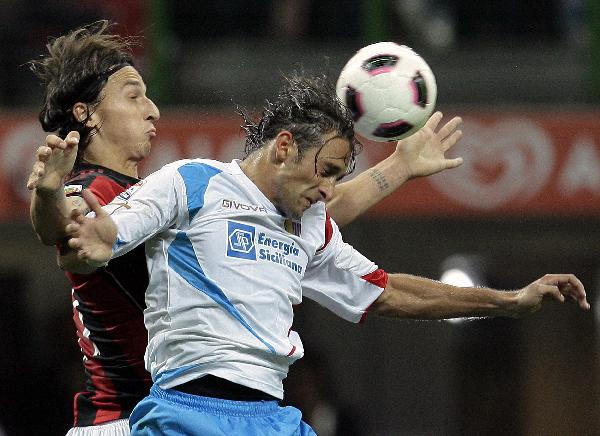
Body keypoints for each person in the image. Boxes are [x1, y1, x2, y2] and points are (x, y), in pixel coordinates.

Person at [63, 73, 589, 435]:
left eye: (339, 175)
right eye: (327, 170)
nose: (330, 188)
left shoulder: (310, 225)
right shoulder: (191, 182)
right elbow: (108, 233)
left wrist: (508, 301)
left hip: (273, 417)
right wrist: (87, 233)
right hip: (185, 411)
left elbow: (389, 290)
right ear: (285, 147)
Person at [26, 21, 465, 435]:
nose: (152, 109)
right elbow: (63, 226)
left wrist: (398, 168)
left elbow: (297, 220)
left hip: (181, 415)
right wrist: (47, 194)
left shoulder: (154, 193)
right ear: (86, 113)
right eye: (134, 95)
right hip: (127, 418)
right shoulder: (92, 188)